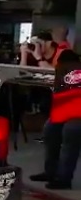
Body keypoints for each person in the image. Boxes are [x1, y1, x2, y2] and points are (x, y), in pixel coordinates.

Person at [30, 49, 81, 190]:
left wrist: (38, 57)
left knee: (70, 135)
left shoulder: (71, 70)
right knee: (50, 131)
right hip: (64, 111)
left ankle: (64, 179)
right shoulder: (62, 71)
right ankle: (51, 172)